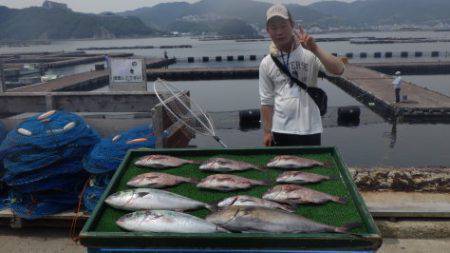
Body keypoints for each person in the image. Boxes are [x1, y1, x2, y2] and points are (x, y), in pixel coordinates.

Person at [259, 4, 345, 147]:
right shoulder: (266, 63)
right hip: (280, 129)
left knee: (311, 167)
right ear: (268, 31)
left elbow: (338, 70)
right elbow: (266, 101)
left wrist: (315, 48)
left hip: (311, 128)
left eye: (283, 26)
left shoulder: (309, 52)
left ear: (292, 25)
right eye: (273, 27)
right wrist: (267, 132)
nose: (279, 32)